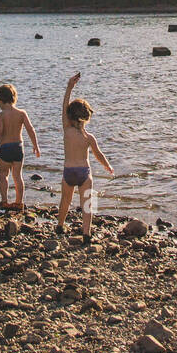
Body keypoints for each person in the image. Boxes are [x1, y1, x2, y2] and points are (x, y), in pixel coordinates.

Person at [57, 72, 113, 242]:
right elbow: (99, 155)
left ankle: (60, 225)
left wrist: (69, 87)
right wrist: (107, 166)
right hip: (84, 173)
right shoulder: (89, 138)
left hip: (68, 172)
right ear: (86, 118)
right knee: (87, 204)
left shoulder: (67, 129)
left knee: (65, 201)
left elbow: (64, 106)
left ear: (69, 116)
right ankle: (86, 233)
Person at [0, 83, 39, 210]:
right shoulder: (21, 113)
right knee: (18, 175)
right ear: (14, 97)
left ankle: (4, 201)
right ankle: (19, 202)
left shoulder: (0, 116)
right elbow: (30, 129)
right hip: (18, 147)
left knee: (3, 174)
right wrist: (35, 145)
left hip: (5, 148)